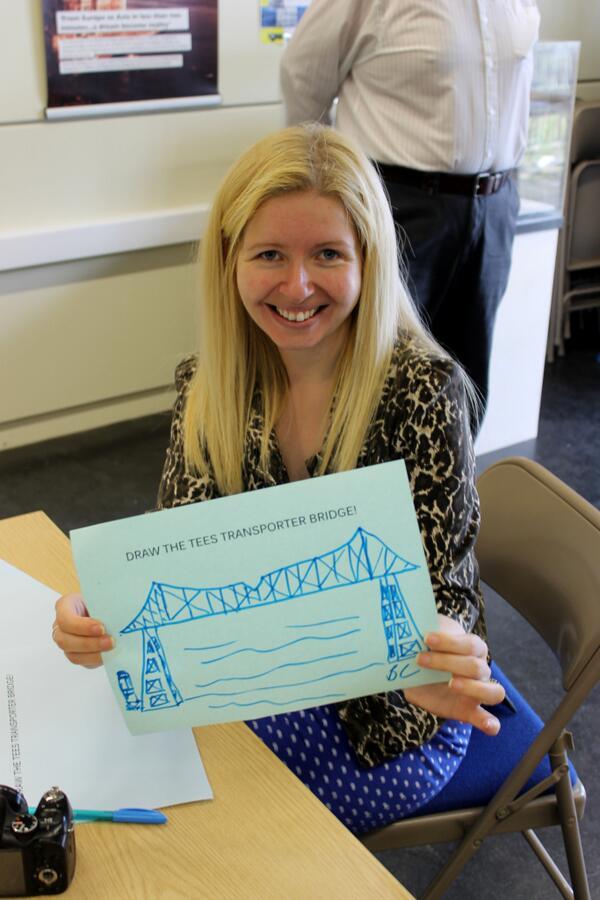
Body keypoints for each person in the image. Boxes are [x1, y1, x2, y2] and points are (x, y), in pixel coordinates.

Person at [53, 124, 505, 836]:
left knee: (214, 818)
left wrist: (447, 647)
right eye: (269, 255)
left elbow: (445, 593)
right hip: (250, 684)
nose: (298, 286)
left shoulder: (424, 391)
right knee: (128, 771)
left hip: (396, 715)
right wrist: (103, 611)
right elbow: (177, 560)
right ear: (231, 261)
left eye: (328, 253)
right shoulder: (207, 387)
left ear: (368, 261)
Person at [280, 0, 541, 427]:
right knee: (379, 372)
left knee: (466, 374)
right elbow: (303, 75)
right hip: (398, 201)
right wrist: (324, 186)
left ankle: (451, 483)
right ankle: (369, 491)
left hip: (494, 202)